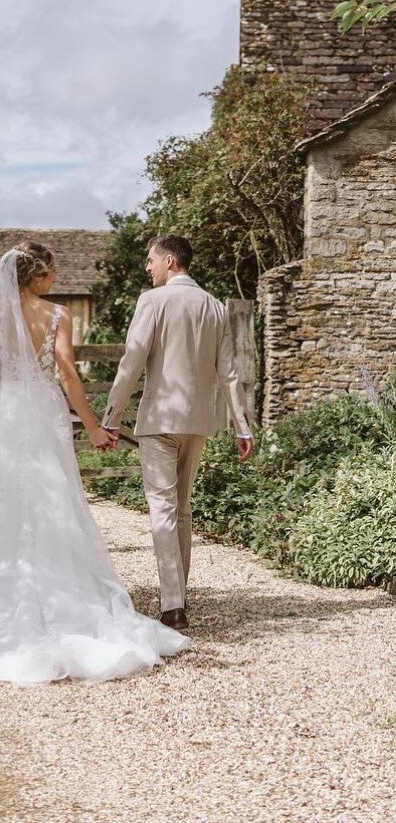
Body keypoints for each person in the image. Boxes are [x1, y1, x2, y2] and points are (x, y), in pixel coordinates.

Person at [0, 240, 190, 683]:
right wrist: (91, 425)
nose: (57, 279)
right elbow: (66, 373)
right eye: (52, 272)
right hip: (42, 412)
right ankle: (57, 591)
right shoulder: (58, 315)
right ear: (38, 276)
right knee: (51, 495)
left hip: (3, 412)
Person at [102, 235, 253, 633]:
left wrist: (112, 416)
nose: (147, 267)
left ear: (170, 261)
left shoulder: (152, 302)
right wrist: (242, 425)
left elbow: (131, 361)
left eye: (150, 260)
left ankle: (173, 606)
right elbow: (229, 373)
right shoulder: (215, 306)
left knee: (163, 511)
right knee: (181, 510)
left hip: (159, 421)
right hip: (198, 422)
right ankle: (178, 601)